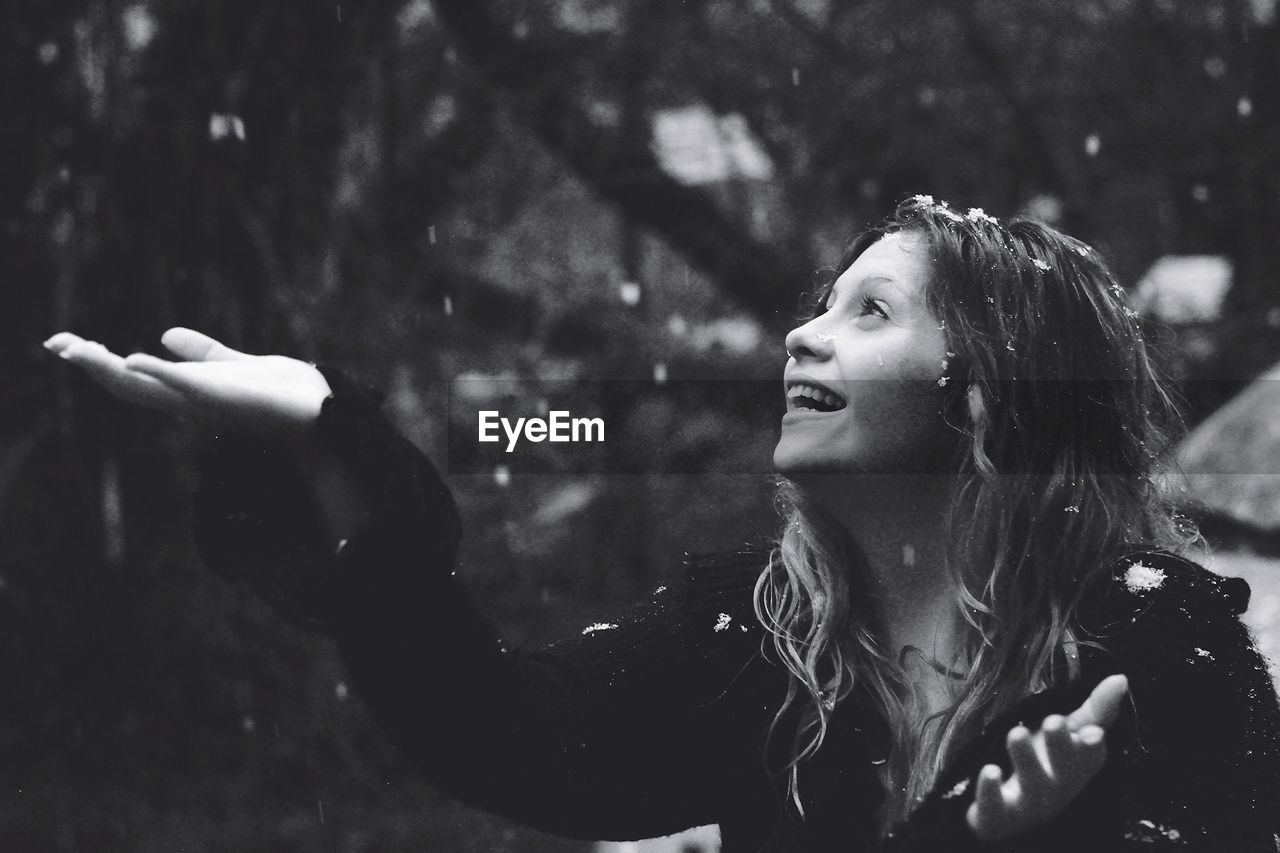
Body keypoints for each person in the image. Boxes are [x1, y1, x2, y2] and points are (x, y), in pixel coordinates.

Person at [45, 195, 1280, 851]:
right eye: (818, 306)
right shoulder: (760, 632)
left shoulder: (1151, 641)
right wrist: (329, 433)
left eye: (868, 313)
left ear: (987, 387)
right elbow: (502, 733)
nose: (802, 332)